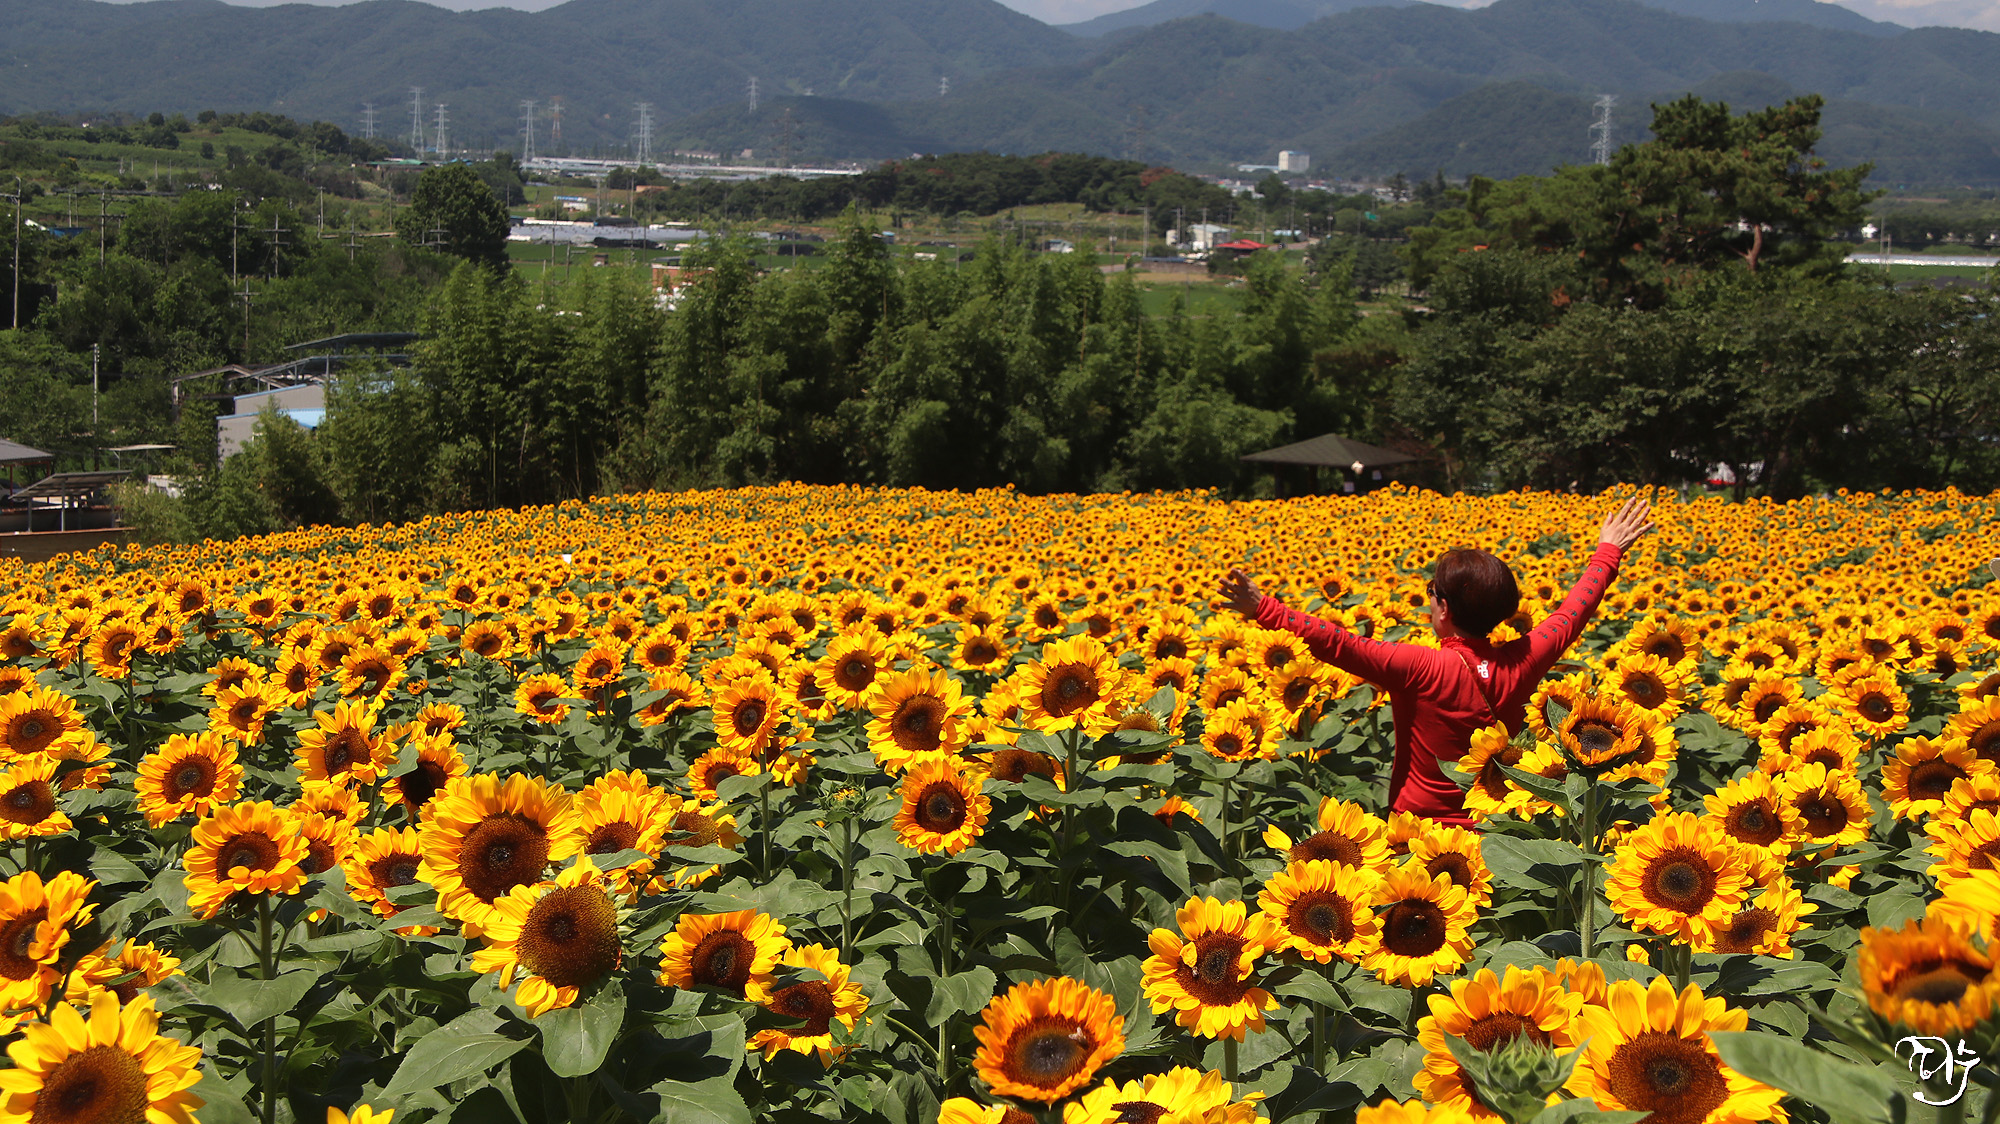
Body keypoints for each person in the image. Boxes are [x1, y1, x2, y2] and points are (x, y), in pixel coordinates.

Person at [1215, 496, 1655, 826]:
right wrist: (1608, 550)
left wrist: (1264, 608)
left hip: (1417, 832)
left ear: (1443, 607)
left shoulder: (1418, 666)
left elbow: (1335, 641)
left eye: (1432, 594)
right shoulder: (1524, 660)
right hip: (1492, 829)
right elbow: (1573, 612)